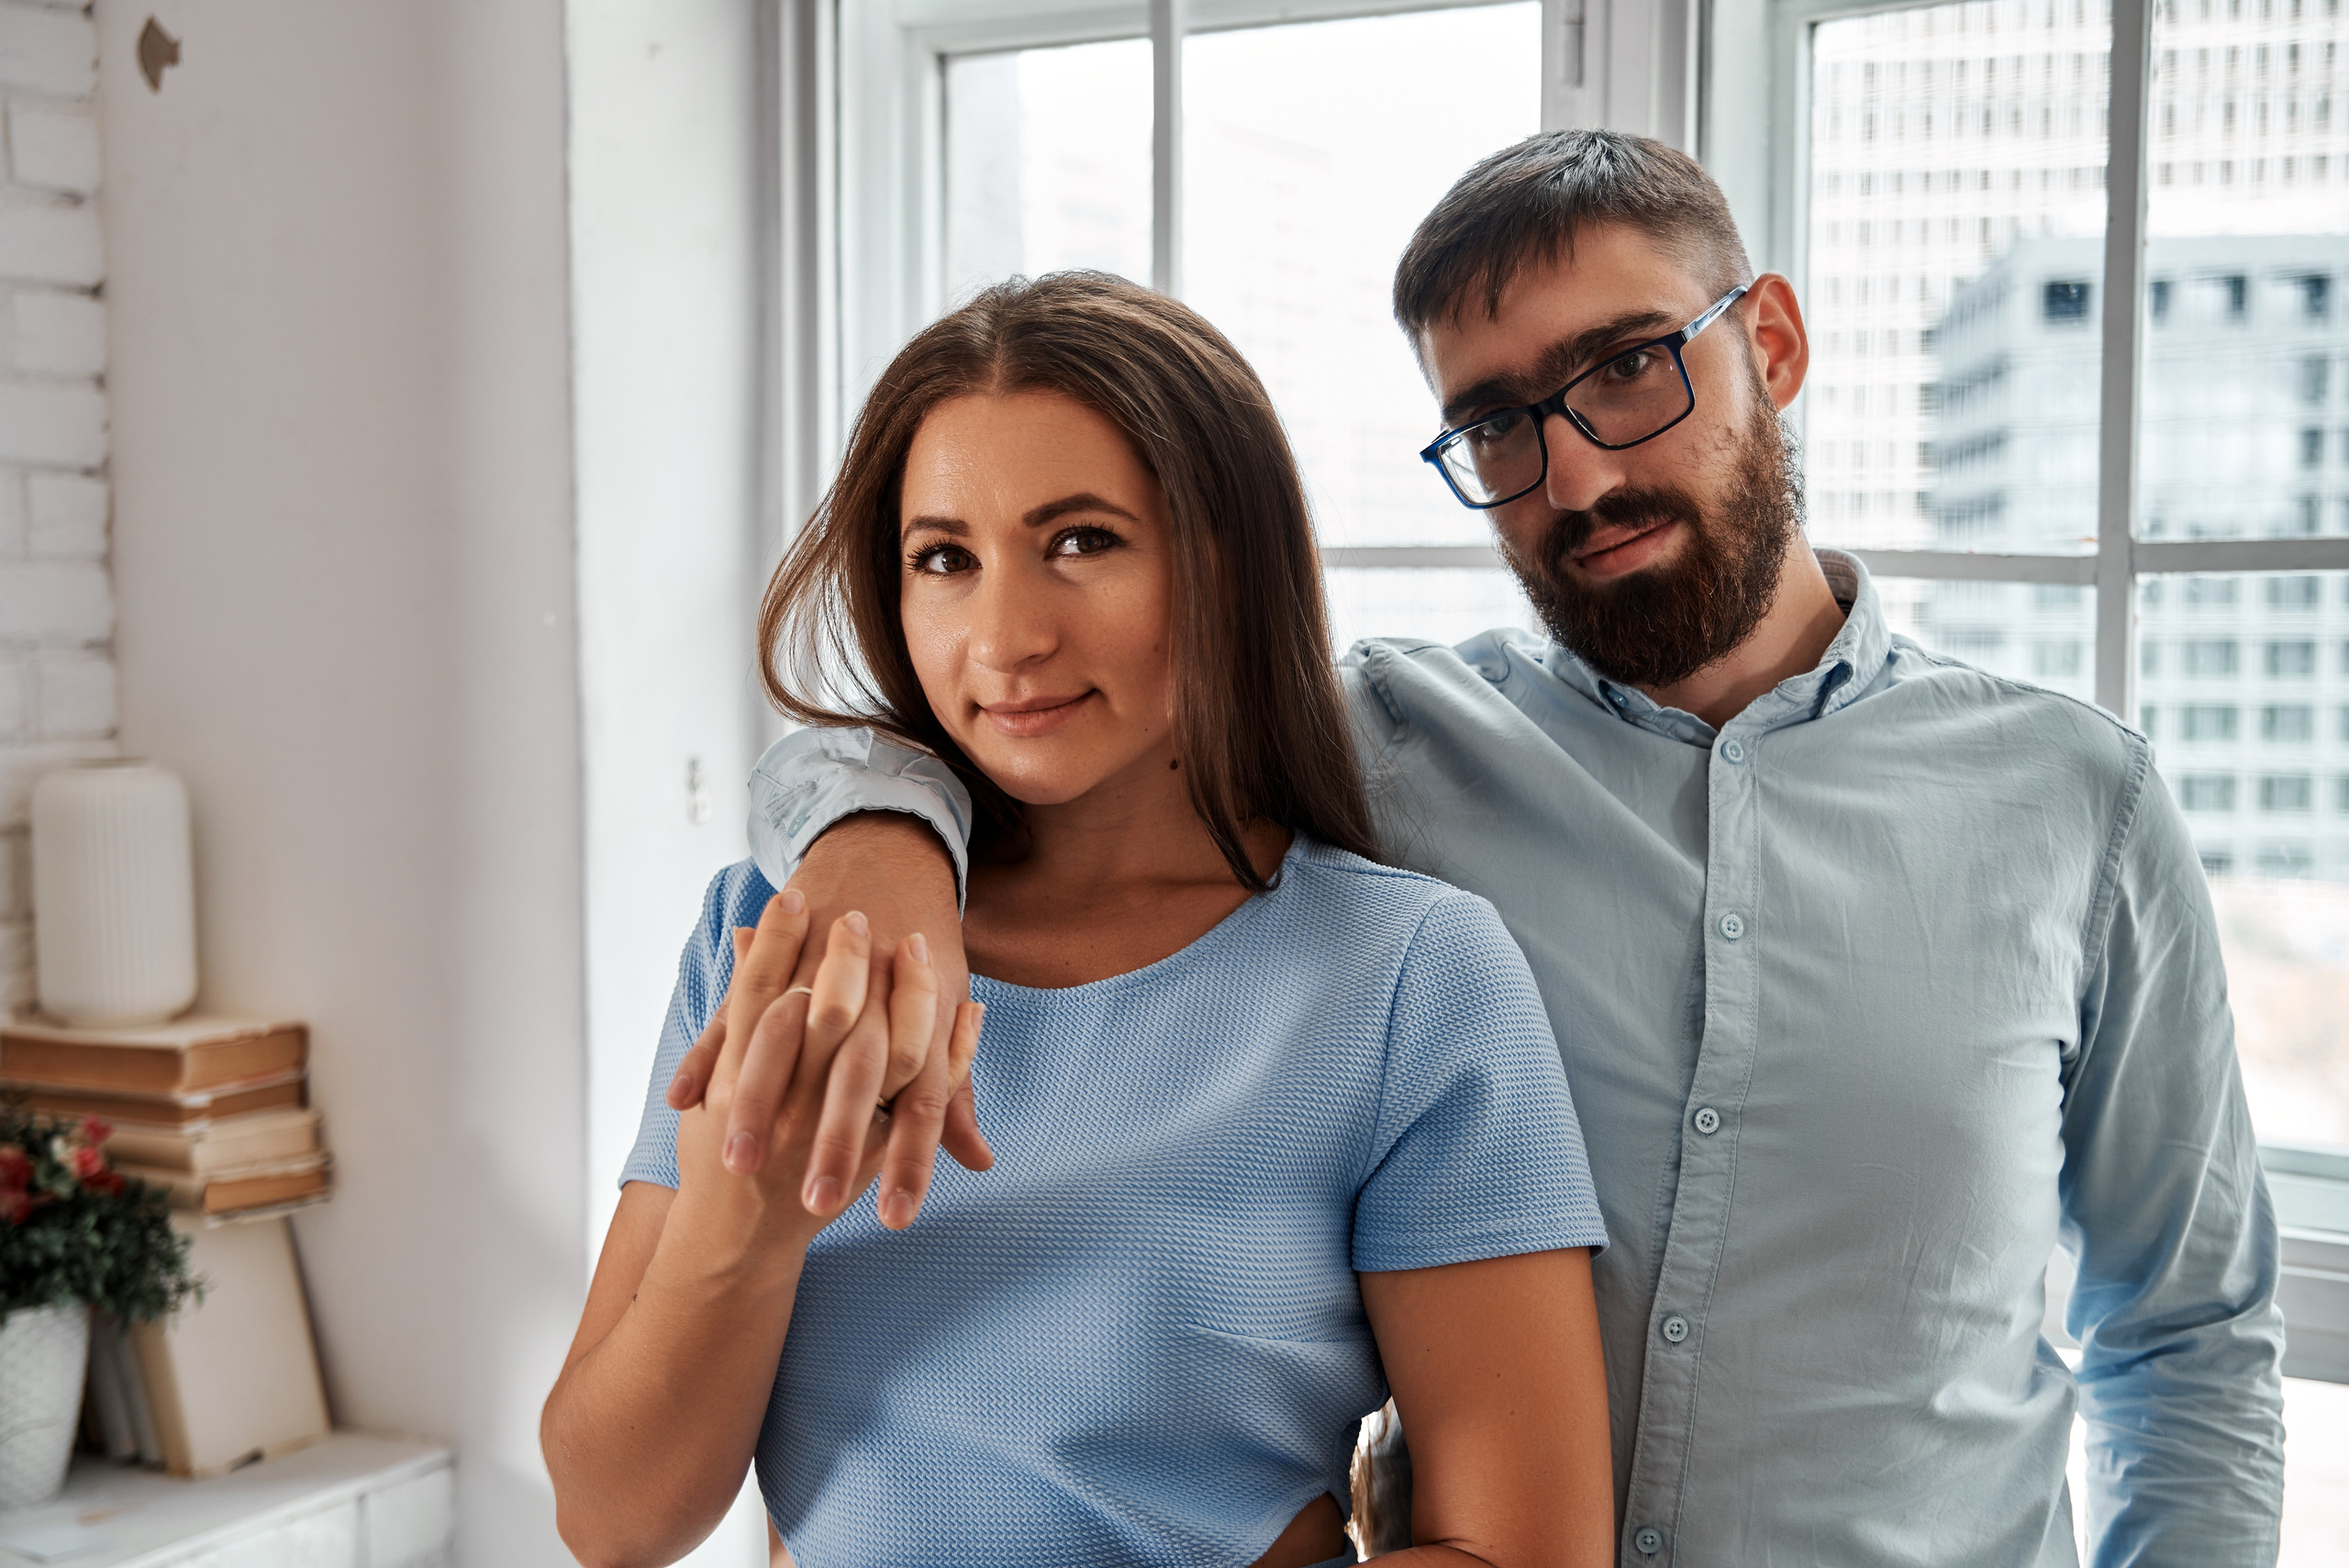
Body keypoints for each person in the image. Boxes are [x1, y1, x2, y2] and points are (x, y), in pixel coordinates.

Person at [698, 132, 2288, 1566]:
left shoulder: (2078, 803)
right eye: (1499, 424)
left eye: (1627, 371)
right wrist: (875, 840)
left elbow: (2189, 1337)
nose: (1578, 471)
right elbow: (1035, 709)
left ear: (1775, 344)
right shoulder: (1380, 749)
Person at [540, 272, 1616, 1568]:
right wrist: (746, 1223)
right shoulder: (779, 938)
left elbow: (1528, 1553)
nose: (1004, 637)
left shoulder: (1408, 980)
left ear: (1221, 559)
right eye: (946, 558)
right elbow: (612, 1521)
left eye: (1081, 541)